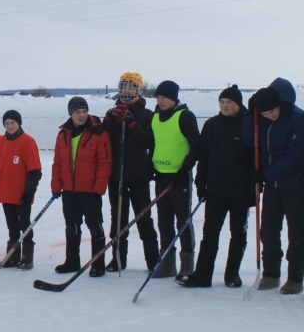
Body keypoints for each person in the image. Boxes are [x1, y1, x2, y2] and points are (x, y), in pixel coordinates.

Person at [177, 85, 252, 288]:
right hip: (216, 191)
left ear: (238, 104)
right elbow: (204, 156)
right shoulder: (211, 125)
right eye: (222, 102)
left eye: (229, 102)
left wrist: (254, 188)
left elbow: (255, 160)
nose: (225, 106)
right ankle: (202, 275)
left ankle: (232, 275)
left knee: (238, 235)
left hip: (240, 192)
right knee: (210, 234)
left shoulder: (248, 125)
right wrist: (201, 183)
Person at [244, 78, 304, 294]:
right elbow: (250, 140)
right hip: (271, 186)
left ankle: (295, 277)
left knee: (297, 233)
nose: (268, 117)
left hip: (295, 185)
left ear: (281, 104)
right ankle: (271, 273)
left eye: (271, 112)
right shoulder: (262, 118)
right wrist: (251, 115)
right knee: (268, 231)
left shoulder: (298, 118)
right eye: (264, 114)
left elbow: (294, 156)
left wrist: (265, 174)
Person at [102, 72, 160, 271]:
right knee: (117, 220)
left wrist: (132, 123)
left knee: (144, 219)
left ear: (138, 90)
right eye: (125, 86)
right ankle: (118, 259)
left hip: (138, 176)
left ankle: (153, 260)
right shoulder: (111, 112)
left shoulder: (147, 114)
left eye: (132, 86)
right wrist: (110, 121)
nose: (128, 90)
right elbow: (104, 140)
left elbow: (148, 141)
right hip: (116, 176)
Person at [52, 97, 112, 277]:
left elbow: (105, 163)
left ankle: (98, 263)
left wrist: (99, 187)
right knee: (72, 226)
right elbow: (57, 163)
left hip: (90, 190)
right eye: (78, 112)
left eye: (84, 111)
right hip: (69, 190)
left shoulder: (99, 133)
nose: (82, 115)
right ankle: (72, 261)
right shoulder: (63, 134)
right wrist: (57, 186)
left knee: (95, 226)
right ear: (71, 113)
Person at [149, 80, 201, 278]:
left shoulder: (185, 116)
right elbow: (154, 143)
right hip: (161, 175)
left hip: (179, 177)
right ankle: (167, 262)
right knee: (164, 220)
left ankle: (187, 263)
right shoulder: (155, 117)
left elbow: (196, 147)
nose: (160, 100)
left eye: (164, 97)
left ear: (173, 98)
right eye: (158, 97)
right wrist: (149, 163)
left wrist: (185, 168)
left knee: (183, 220)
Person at [0, 109, 42, 270]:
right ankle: (12, 257)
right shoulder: (0, 141)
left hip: (21, 194)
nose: (9, 126)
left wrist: (29, 191)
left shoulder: (27, 141)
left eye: (12, 122)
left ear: (18, 123)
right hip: (6, 192)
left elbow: (35, 171)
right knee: (12, 226)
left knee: (25, 225)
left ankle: (27, 257)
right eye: (6, 123)